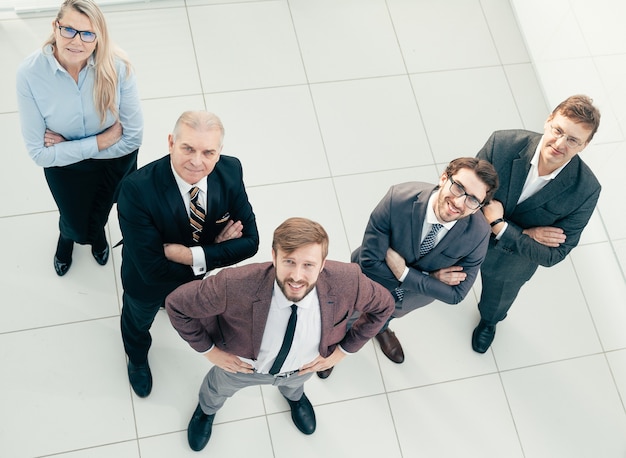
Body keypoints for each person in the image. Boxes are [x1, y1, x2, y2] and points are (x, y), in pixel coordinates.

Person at [165, 217, 395, 452]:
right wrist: (210, 352)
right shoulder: (233, 284)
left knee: (294, 386)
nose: (297, 276)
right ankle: (207, 411)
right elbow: (177, 305)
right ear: (274, 256)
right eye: (289, 261)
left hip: (301, 368)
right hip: (242, 366)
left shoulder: (349, 281)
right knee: (216, 389)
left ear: (323, 263)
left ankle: (295, 398)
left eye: (308, 265)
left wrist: (343, 352)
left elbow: (384, 306)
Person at [117, 110, 259, 398]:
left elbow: (251, 242)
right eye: (188, 148)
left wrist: (192, 255)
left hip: (192, 275)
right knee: (137, 321)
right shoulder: (136, 190)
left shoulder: (231, 171)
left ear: (220, 152)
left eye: (208, 152)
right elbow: (151, 269)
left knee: (180, 301)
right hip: (147, 284)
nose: (197, 161)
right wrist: (217, 249)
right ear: (170, 142)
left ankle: (171, 304)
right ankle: (137, 357)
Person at [16, 0, 143, 276]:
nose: (77, 41)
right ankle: (68, 236)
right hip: (68, 168)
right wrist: (100, 142)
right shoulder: (30, 74)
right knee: (73, 217)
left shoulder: (118, 67)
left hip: (113, 161)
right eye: (69, 30)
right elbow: (39, 154)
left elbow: (132, 139)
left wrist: (70, 147)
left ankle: (96, 235)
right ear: (55, 26)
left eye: (88, 33)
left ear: (99, 37)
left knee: (104, 207)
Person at [472, 94, 601, 353]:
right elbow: (468, 194)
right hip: (468, 237)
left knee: (496, 303)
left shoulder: (586, 190)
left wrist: (501, 226)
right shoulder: (503, 143)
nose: (560, 143)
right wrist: (525, 235)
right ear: (548, 121)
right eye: (558, 130)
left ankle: (489, 322)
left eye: (573, 139)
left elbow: (554, 255)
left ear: (584, 145)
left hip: (511, 263)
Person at [344, 157, 499, 370]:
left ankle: (381, 327)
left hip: (408, 299)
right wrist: (429, 279)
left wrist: (407, 274)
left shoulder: (479, 234)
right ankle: (335, 343)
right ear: (444, 178)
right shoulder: (398, 199)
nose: (459, 202)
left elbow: (456, 295)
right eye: (458, 188)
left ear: (477, 207)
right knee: (347, 315)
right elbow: (370, 262)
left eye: (473, 200)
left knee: (388, 314)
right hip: (366, 284)